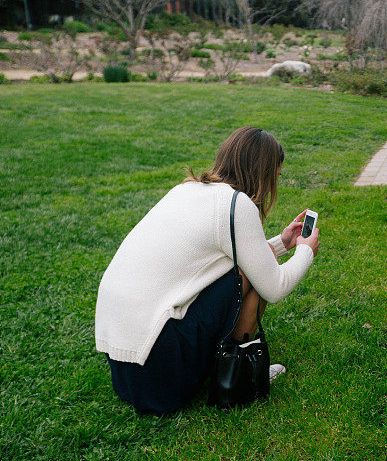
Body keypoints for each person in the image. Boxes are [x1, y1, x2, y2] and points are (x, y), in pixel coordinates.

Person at [95, 127, 320, 414]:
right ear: (263, 173)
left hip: (127, 364)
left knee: (244, 270)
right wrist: (305, 250)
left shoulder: (186, 190)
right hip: (159, 367)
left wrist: (282, 243)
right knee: (251, 277)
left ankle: (229, 365)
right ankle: (240, 374)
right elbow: (273, 287)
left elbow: (217, 259)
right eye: (275, 175)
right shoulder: (237, 205)